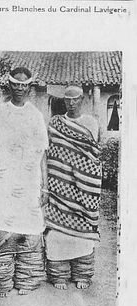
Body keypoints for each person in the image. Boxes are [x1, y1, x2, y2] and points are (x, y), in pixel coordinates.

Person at [0, 67, 49, 297]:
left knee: (29, 228)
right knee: (2, 226)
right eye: (16, 84)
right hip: (3, 182)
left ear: (30, 88)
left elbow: (42, 153)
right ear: (9, 85)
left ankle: (26, 279)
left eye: (24, 85)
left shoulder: (36, 116)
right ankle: (1, 281)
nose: (20, 89)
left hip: (30, 181)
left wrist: (45, 186)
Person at [45, 85, 102, 290]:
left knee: (83, 227)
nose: (71, 102)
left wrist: (85, 179)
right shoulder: (55, 122)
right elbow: (51, 150)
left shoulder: (90, 123)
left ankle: (82, 274)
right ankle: (59, 275)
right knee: (57, 232)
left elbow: (91, 154)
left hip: (83, 186)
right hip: (60, 182)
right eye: (67, 99)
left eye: (75, 99)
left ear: (82, 99)